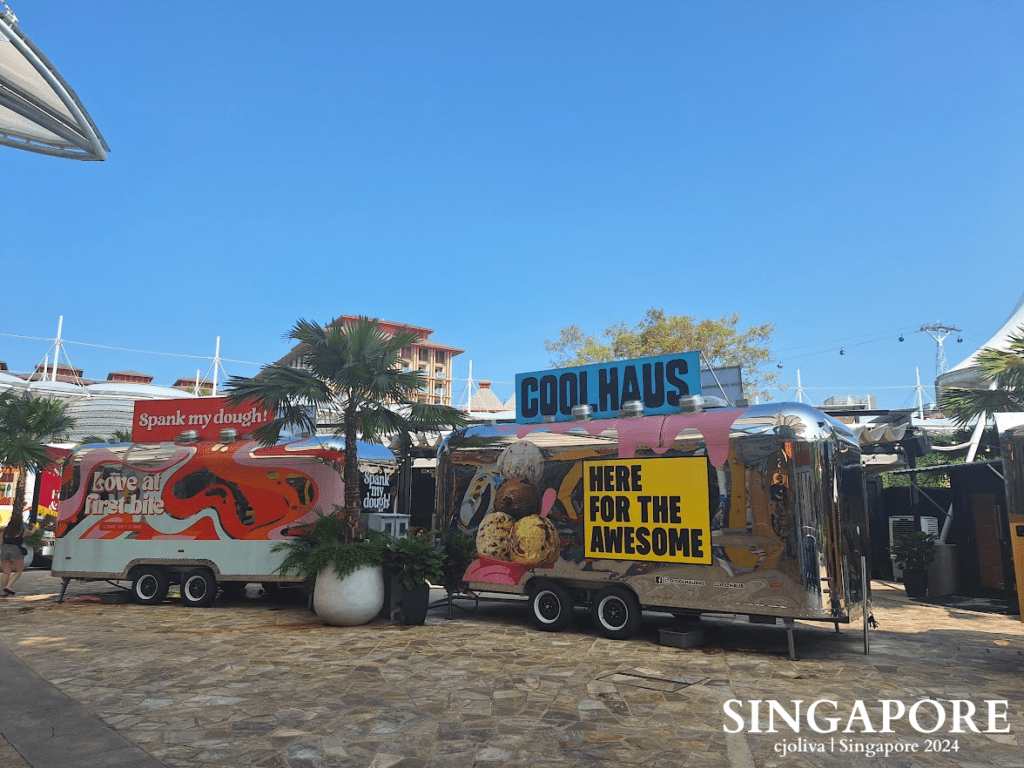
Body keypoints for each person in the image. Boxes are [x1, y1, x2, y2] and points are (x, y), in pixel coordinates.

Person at [1, 513, 30, 596]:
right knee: (18, 571)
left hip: (5, 550)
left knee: (6, 572)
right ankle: (9, 586)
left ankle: (4, 591)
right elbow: (31, 533)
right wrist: (34, 528)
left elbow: (0, 542)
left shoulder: (5, 530)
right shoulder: (22, 530)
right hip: (16, 551)